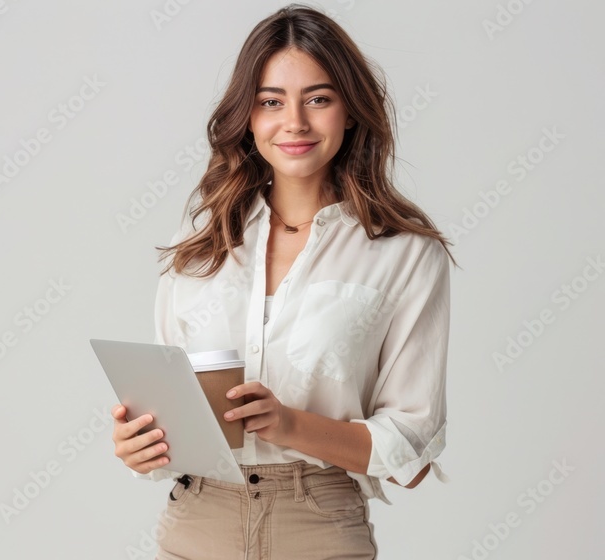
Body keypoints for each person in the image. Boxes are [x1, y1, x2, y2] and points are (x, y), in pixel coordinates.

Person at [110, 4, 458, 559]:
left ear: (350, 112)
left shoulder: (407, 255)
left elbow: (410, 455)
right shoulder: (202, 245)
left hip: (318, 526)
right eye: (271, 102)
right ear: (247, 118)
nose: (294, 122)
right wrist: (142, 447)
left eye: (318, 99)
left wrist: (289, 424)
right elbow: (173, 403)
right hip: (197, 521)